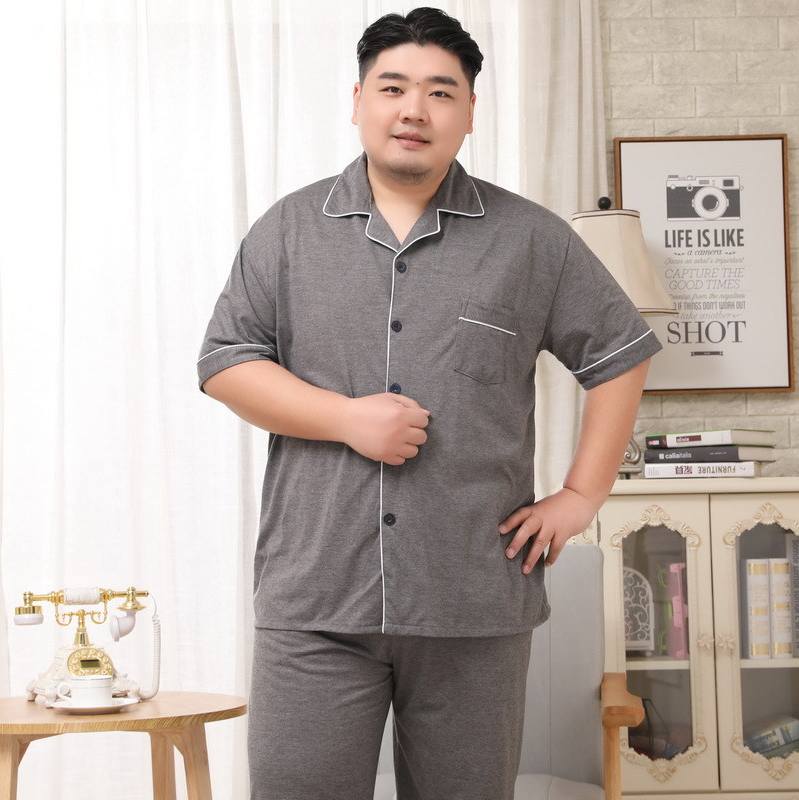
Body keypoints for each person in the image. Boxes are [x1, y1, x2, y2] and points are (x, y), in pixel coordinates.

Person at [198, 7, 661, 800]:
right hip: (315, 600)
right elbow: (225, 362)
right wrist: (346, 419)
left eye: (441, 92)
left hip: (474, 602)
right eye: (394, 87)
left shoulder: (533, 240)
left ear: (470, 112)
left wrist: (583, 494)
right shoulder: (287, 232)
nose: (415, 109)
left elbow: (620, 354)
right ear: (358, 101)